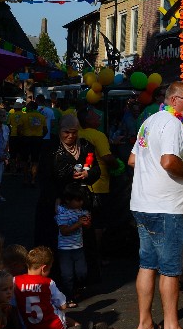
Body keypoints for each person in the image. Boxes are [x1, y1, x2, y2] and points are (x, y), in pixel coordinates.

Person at [129, 81, 183, 329]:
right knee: (170, 269)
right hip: (165, 208)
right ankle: (171, 328)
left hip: (142, 203)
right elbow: (168, 161)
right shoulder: (173, 124)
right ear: (174, 100)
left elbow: (133, 159)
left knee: (147, 264)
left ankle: (144, 323)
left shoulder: (149, 122)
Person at [34, 114, 100, 256]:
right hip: (56, 201)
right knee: (54, 240)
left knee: (83, 241)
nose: (70, 136)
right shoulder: (50, 149)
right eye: (66, 132)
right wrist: (56, 197)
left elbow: (96, 169)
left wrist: (87, 174)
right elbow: (44, 177)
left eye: (74, 132)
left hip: (80, 201)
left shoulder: (86, 145)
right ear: (59, 130)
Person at [78, 107, 114, 269]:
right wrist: (118, 164)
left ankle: (84, 254)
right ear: (88, 120)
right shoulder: (98, 135)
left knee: (84, 221)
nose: (98, 117)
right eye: (94, 115)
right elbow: (107, 157)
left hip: (81, 184)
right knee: (98, 224)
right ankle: (96, 256)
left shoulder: (77, 134)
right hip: (99, 185)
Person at [55, 184, 90, 304]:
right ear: (68, 200)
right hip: (65, 250)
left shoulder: (81, 212)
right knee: (67, 275)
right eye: (77, 200)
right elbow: (64, 231)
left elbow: (87, 226)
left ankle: (76, 289)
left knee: (82, 272)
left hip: (78, 247)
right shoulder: (63, 213)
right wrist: (79, 223)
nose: (80, 203)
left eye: (81, 200)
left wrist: (87, 222)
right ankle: (68, 297)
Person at [20, 101, 47, 188]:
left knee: (25, 160)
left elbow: (19, 129)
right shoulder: (42, 117)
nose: (26, 107)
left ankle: (25, 179)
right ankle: (33, 179)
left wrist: (22, 136)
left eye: (27, 106)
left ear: (31, 107)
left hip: (26, 139)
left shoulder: (24, 116)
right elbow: (45, 130)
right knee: (35, 160)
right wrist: (41, 136)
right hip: (38, 139)